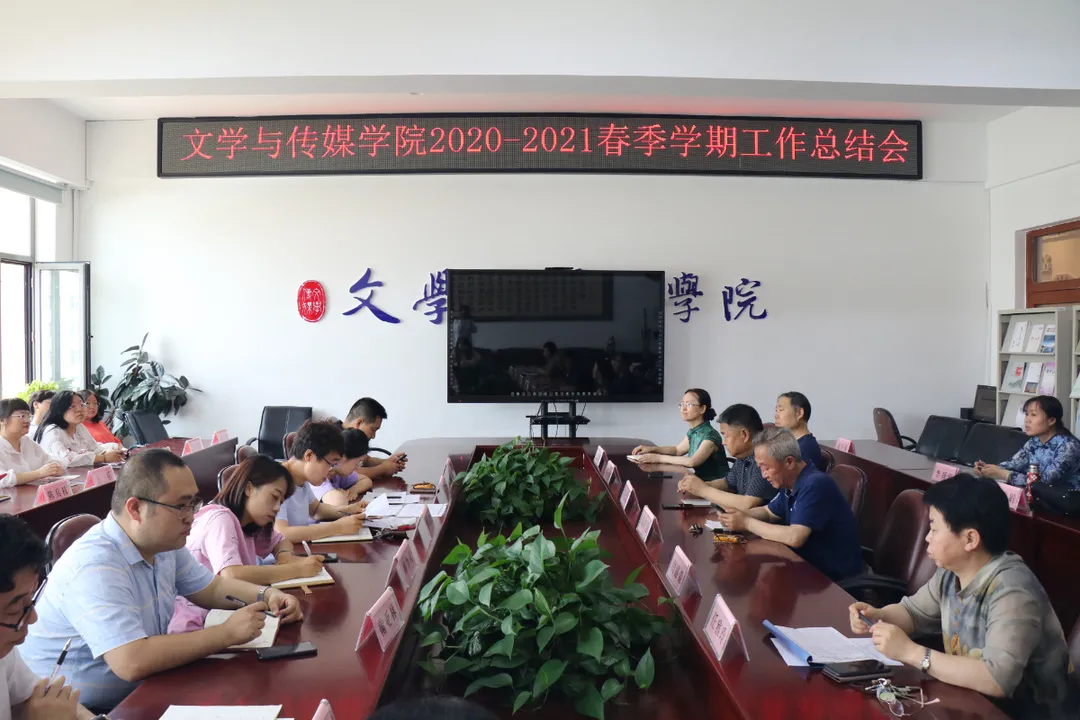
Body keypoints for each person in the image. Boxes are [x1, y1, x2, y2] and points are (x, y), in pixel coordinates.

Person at [20, 450, 302, 711]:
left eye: (193, 504)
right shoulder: (95, 564)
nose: (191, 517)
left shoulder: (164, 544)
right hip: (83, 710)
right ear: (135, 509)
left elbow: (212, 588)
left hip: (144, 689)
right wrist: (226, 634)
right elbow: (131, 660)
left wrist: (267, 595)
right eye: (181, 506)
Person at [849, 474, 1079, 718]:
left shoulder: (1013, 591)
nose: (927, 537)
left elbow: (997, 679)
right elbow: (914, 613)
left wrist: (912, 653)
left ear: (970, 539)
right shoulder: (951, 573)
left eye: (934, 529)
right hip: (973, 705)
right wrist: (879, 616)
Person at [169, 455, 324, 633]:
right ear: (249, 488)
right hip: (196, 622)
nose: (277, 508)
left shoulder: (249, 523)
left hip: (224, 615)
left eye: (281, 502)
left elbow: (281, 540)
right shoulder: (220, 519)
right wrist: (296, 569)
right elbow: (232, 575)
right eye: (274, 497)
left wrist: (284, 556)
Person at [718, 427, 862, 581]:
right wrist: (739, 515)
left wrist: (746, 522)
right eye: (760, 468)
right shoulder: (790, 483)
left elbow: (795, 537)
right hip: (803, 567)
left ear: (789, 462)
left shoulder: (815, 484)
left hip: (832, 580)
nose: (763, 475)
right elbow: (768, 512)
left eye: (767, 468)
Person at [0, 514, 99, 720]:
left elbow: (37, 700)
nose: (32, 618)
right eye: (14, 610)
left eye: (31, 600)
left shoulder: (5, 652)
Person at [273, 421, 369, 544]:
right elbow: (282, 533)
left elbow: (316, 510)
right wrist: (336, 527)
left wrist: (348, 510)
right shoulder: (276, 481)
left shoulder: (302, 478)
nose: (331, 470)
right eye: (331, 464)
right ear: (309, 455)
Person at [678, 403, 777, 510]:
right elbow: (727, 483)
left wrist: (703, 490)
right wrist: (695, 485)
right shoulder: (743, 457)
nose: (723, 442)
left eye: (725, 435)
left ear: (744, 435)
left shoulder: (763, 460)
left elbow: (748, 504)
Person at [974, 395, 1080, 490]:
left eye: (1033, 415)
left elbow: (1045, 482)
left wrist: (1005, 474)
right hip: (1039, 498)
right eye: (1027, 414)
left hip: (1066, 502)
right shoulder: (1034, 441)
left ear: (1051, 420)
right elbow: (1014, 463)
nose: (1027, 420)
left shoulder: (1069, 446)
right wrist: (988, 469)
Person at [630, 388, 729, 480]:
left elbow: (692, 461)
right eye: (682, 404)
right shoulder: (694, 431)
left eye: (689, 404)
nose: (683, 408)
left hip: (716, 486)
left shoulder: (710, 435)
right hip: (699, 482)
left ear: (702, 409)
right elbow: (677, 450)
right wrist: (652, 449)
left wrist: (658, 458)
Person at [33, 392, 123, 468]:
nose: (79, 409)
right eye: (72, 406)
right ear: (60, 410)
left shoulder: (79, 427)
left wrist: (112, 452)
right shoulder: (52, 431)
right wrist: (103, 458)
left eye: (82, 405)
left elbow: (94, 447)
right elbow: (66, 459)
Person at [0, 399, 64, 488]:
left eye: (29, 416)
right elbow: (3, 479)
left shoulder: (27, 442)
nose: (27, 421)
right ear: (2, 420)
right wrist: (39, 473)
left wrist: (55, 467)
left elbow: (50, 460)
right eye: (22, 416)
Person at [342, 398, 406, 479]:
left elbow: (366, 460)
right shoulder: (336, 440)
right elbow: (346, 473)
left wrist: (388, 462)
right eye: (373, 429)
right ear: (359, 423)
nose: (373, 436)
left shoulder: (351, 438)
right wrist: (383, 469)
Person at [311, 429, 374, 507]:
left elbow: (366, 480)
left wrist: (353, 490)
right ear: (343, 457)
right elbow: (338, 503)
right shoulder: (320, 475)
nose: (357, 467)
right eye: (358, 462)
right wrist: (340, 494)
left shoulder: (337, 473)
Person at [774, 391, 826, 472]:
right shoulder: (792, 444)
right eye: (776, 410)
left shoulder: (806, 449)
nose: (776, 416)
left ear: (799, 413)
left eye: (781, 410)